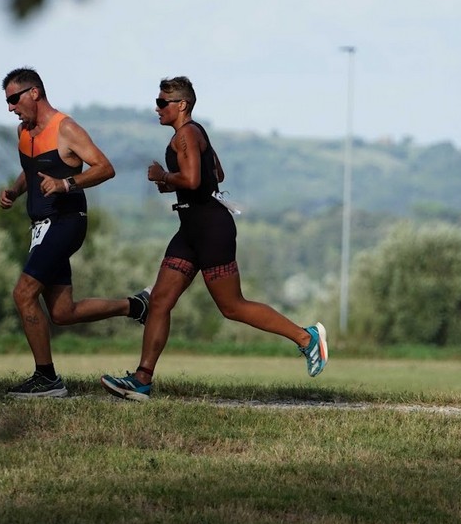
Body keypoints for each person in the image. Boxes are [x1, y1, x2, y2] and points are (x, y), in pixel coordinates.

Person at [100, 76, 327, 401]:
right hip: (190, 230)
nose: (157, 108)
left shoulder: (187, 134)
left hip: (210, 229)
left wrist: (164, 176)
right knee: (160, 301)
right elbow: (216, 174)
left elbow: (193, 179)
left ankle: (306, 338)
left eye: (163, 102)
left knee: (232, 306)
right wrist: (172, 183)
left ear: (182, 105)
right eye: (157, 102)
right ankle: (141, 380)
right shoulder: (195, 134)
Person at [0, 67, 150, 398]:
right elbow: (31, 171)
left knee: (23, 294)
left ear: (34, 93)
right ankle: (136, 306)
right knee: (62, 312)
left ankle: (47, 379)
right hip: (42, 227)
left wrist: (65, 183)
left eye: (14, 99)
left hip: (66, 222)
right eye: (7, 102)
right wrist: (14, 191)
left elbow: (105, 168)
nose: (10, 108)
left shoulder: (65, 128)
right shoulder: (24, 132)